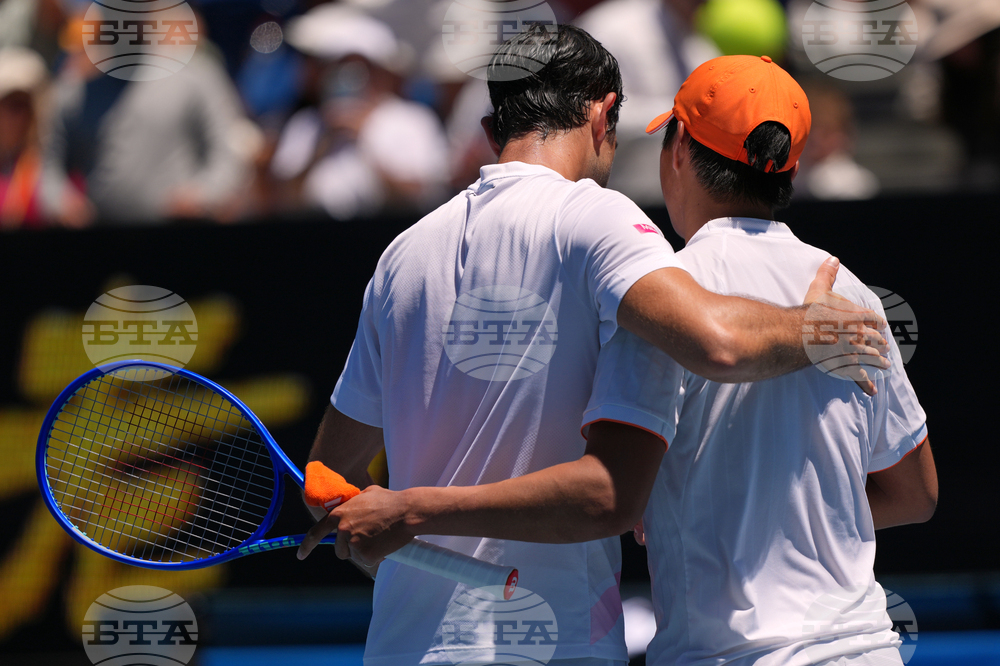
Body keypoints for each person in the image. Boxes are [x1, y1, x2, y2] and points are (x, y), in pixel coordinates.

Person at [298, 28, 887, 666]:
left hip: (403, 648)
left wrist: (402, 526)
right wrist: (818, 328)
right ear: (603, 112)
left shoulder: (403, 254)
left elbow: (327, 480)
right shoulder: (599, 218)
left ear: (493, 124)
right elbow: (714, 343)